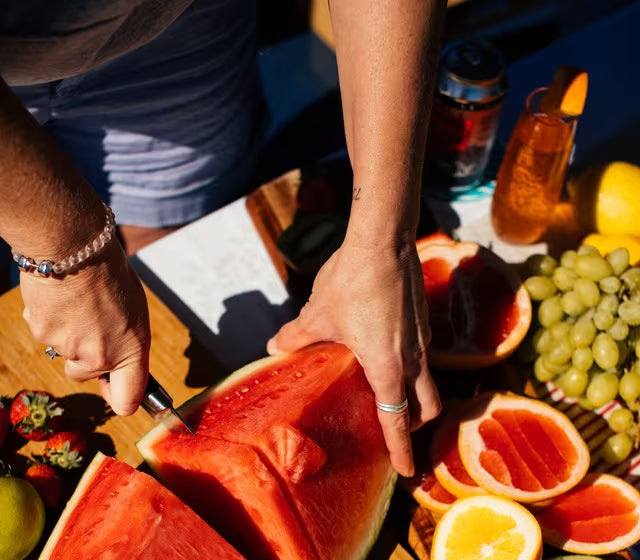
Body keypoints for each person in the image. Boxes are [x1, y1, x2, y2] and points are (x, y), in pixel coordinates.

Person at [0, 0, 445, 477]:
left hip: (165, 35)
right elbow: (63, 251)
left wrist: (381, 243)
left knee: (166, 252)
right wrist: (65, 252)